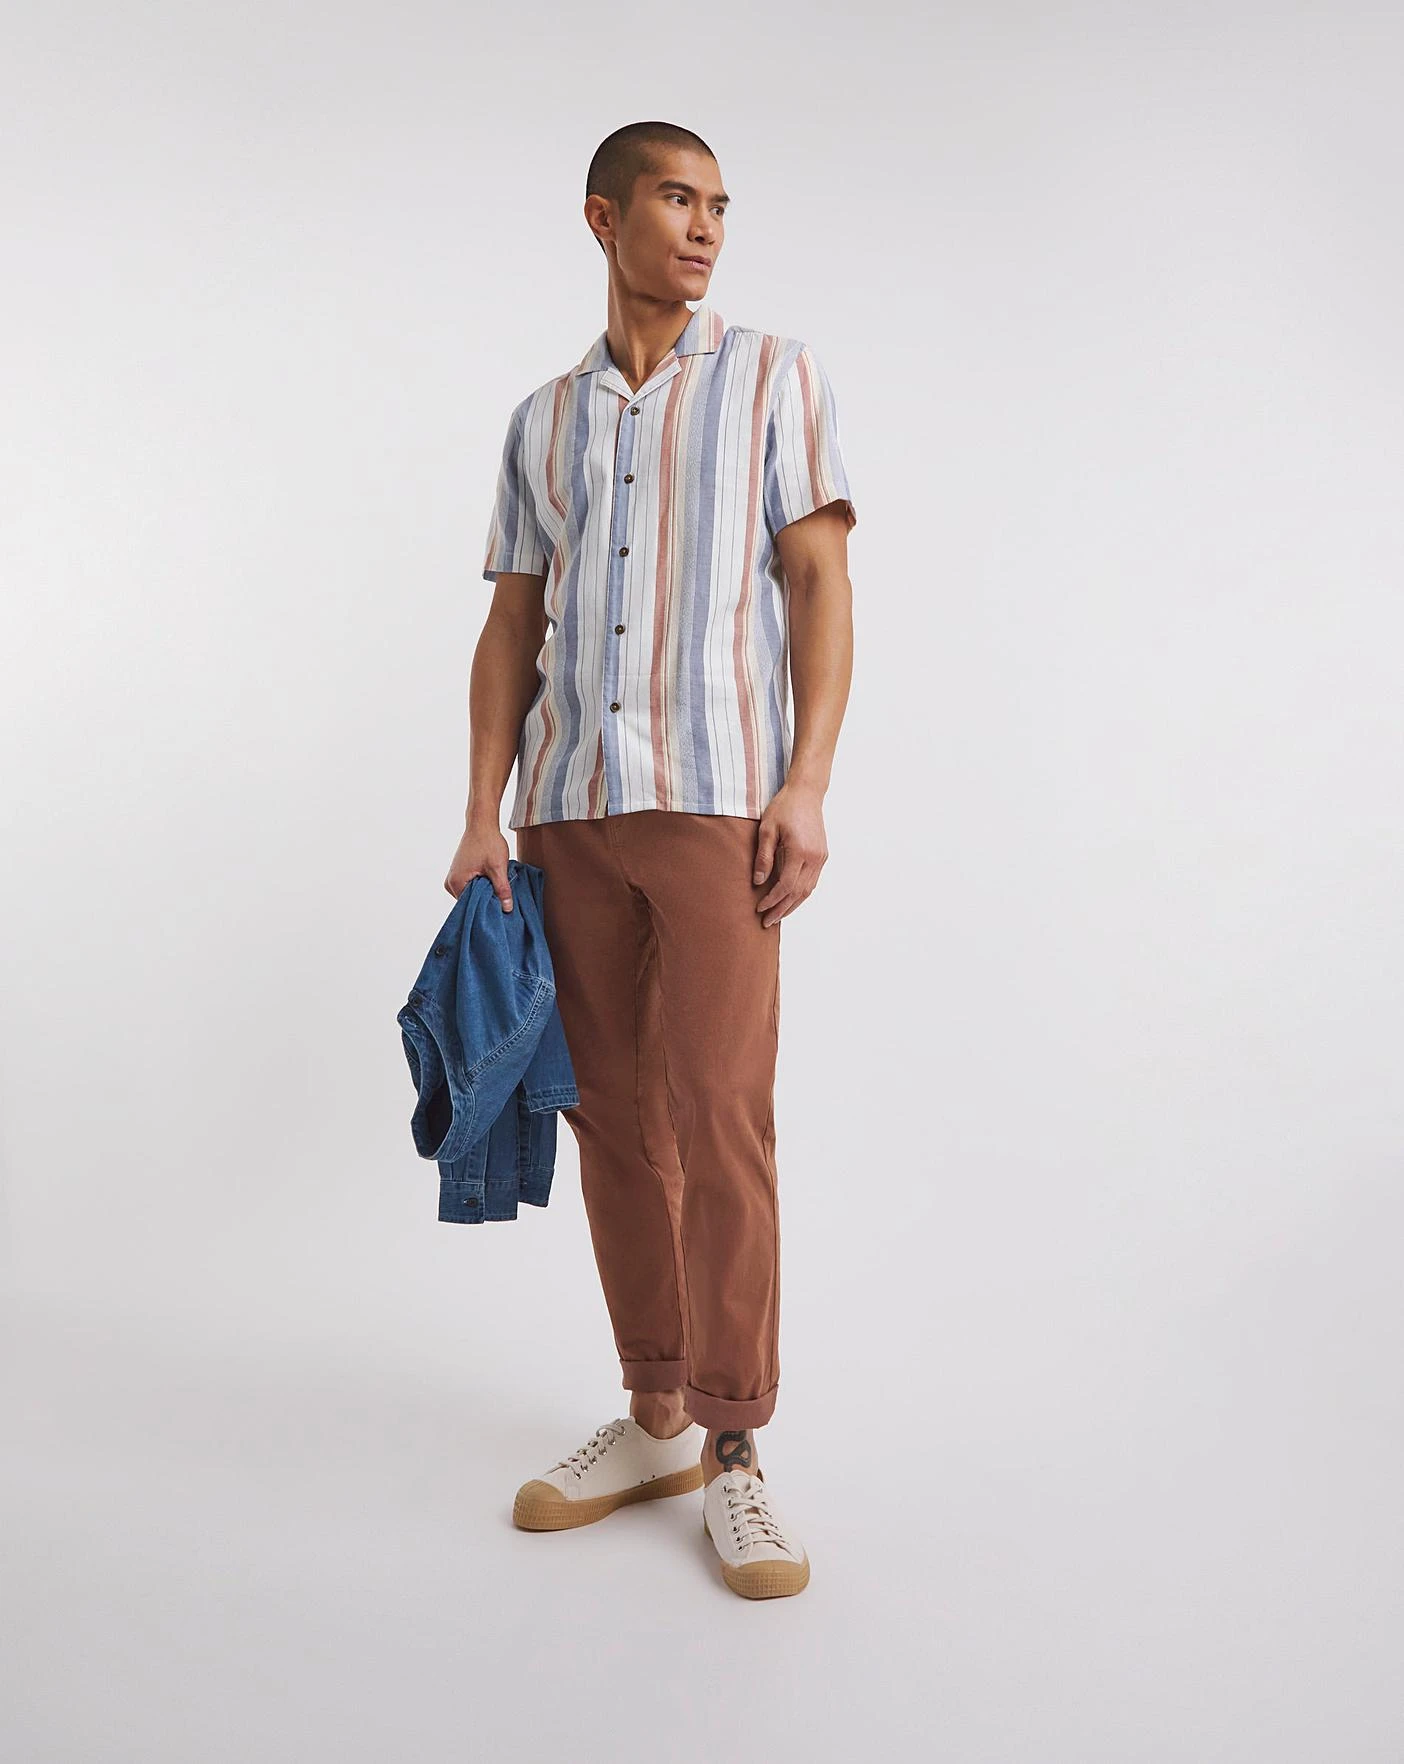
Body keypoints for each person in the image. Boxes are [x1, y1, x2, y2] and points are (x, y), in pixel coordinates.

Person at [445, 120, 856, 1599]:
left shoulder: (775, 379)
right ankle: (658, 1410)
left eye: (720, 205)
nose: (705, 228)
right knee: (612, 1120)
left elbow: (821, 582)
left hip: (719, 805)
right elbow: (512, 624)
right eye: (678, 199)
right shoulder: (542, 421)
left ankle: (738, 1450)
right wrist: (482, 811)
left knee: (723, 1116)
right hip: (568, 811)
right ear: (603, 217)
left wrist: (806, 784)